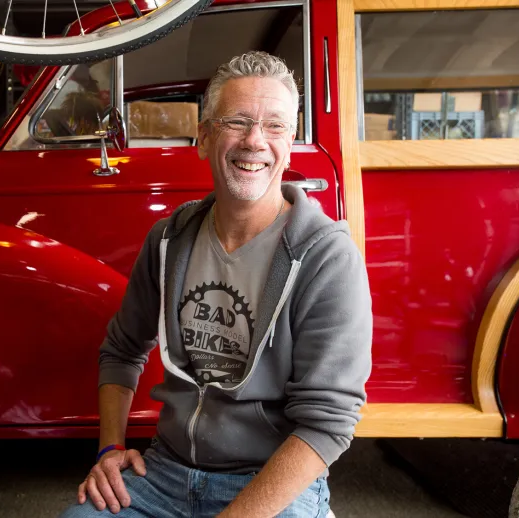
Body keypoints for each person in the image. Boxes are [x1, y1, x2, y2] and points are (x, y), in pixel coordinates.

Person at [60, 51, 373, 518]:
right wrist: (110, 449)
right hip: (164, 474)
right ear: (204, 137)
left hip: (271, 483)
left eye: (274, 126)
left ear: (290, 141)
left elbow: (329, 423)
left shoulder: (326, 255)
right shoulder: (168, 239)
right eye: (238, 121)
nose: (254, 141)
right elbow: (122, 350)